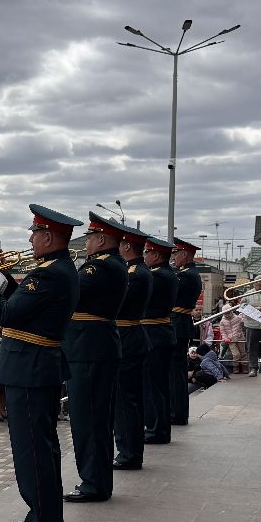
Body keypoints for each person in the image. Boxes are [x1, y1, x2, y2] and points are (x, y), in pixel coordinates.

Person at [0, 204, 82, 522]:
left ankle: (43, 521)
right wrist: (3, 280)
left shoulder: (48, 273)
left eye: (35, 233)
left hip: (29, 368)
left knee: (32, 449)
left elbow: (8, 314)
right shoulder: (58, 269)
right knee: (42, 447)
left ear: (48, 236)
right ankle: (43, 514)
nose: (31, 239)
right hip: (37, 366)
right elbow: (26, 305)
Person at [62, 212, 128, 503]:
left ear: (100, 239)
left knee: (88, 420)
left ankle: (94, 483)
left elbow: (67, 294)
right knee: (94, 418)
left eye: (89, 237)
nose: (86, 242)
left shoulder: (99, 268)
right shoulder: (109, 264)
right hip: (93, 346)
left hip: (89, 349)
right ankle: (96, 480)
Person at [112, 222, 152, 470]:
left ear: (126, 245)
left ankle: (129, 453)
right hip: (131, 335)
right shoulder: (140, 270)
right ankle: (130, 450)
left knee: (125, 401)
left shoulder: (133, 274)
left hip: (126, 337)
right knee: (130, 399)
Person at [140, 237, 178, 445]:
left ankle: (155, 430)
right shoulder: (167, 274)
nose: (144, 256)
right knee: (159, 385)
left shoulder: (157, 276)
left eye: (147, 253)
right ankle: (160, 428)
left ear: (155, 255)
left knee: (152, 386)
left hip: (154, 333)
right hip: (160, 331)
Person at [169, 238, 204, 425]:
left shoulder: (186, 275)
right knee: (175, 372)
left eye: (176, 254)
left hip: (178, 324)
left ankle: (177, 413)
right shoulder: (186, 273)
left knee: (175, 373)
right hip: (179, 323)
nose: (173, 258)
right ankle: (176, 411)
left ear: (185, 254)